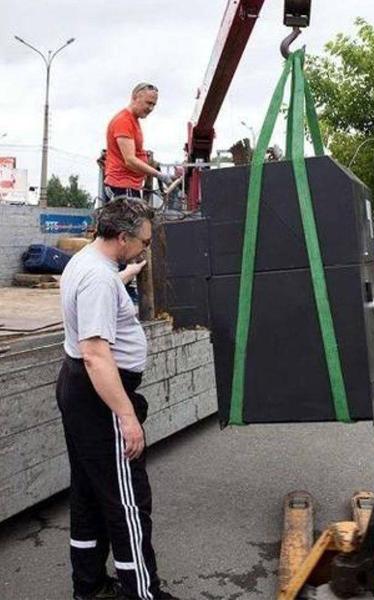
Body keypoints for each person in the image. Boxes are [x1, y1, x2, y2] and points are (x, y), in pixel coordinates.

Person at [57, 197, 178, 600]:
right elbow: (95, 353)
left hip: (80, 391)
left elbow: (103, 291)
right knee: (128, 500)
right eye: (143, 240)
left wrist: (126, 274)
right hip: (101, 396)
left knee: (89, 493)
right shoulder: (96, 279)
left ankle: (88, 587)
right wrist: (126, 415)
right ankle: (142, 592)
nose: (146, 246)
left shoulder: (92, 265)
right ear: (122, 237)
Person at [104, 82, 172, 202]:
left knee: (141, 219)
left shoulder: (133, 120)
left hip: (129, 186)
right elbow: (130, 160)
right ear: (135, 97)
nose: (151, 109)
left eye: (154, 105)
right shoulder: (124, 121)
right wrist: (159, 175)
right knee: (141, 221)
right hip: (121, 186)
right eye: (148, 103)